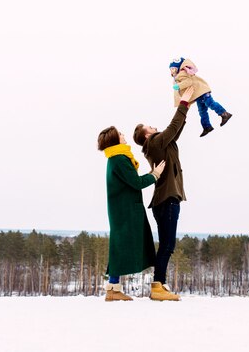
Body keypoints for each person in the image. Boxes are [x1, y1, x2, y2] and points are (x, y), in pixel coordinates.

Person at [133, 86, 195, 301]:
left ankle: (160, 284)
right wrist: (183, 104)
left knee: (167, 245)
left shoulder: (159, 144)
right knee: (167, 245)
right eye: (149, 126)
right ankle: (157, 286)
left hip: (166, 201)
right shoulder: (154, 143)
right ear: (147, 134)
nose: (153, 126)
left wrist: (186, 108)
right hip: (166, 201)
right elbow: (172, 127)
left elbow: (175, 131)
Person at [97, 126, 166, 302]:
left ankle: (113, 288)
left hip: (122, 209)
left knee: (118, 246)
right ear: (114, 140)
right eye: (120, 134)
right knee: (120, 247)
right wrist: (155, 175)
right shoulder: (119, 158)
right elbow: (136, 183)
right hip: (125, 210)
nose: (123, 135)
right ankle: (112, 291)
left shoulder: (115, 158)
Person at [169, 57, 232, 137]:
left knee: (210, 103)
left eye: (173, 68)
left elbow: (189, 82)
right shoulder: (180, 75)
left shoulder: (182, 74)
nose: (171, 71)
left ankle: (224, 114)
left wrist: (179, 86)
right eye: (170, 69)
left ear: (177, 68)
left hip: (202, 91)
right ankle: (207, 127)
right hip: (198, 94)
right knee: (202, 111)